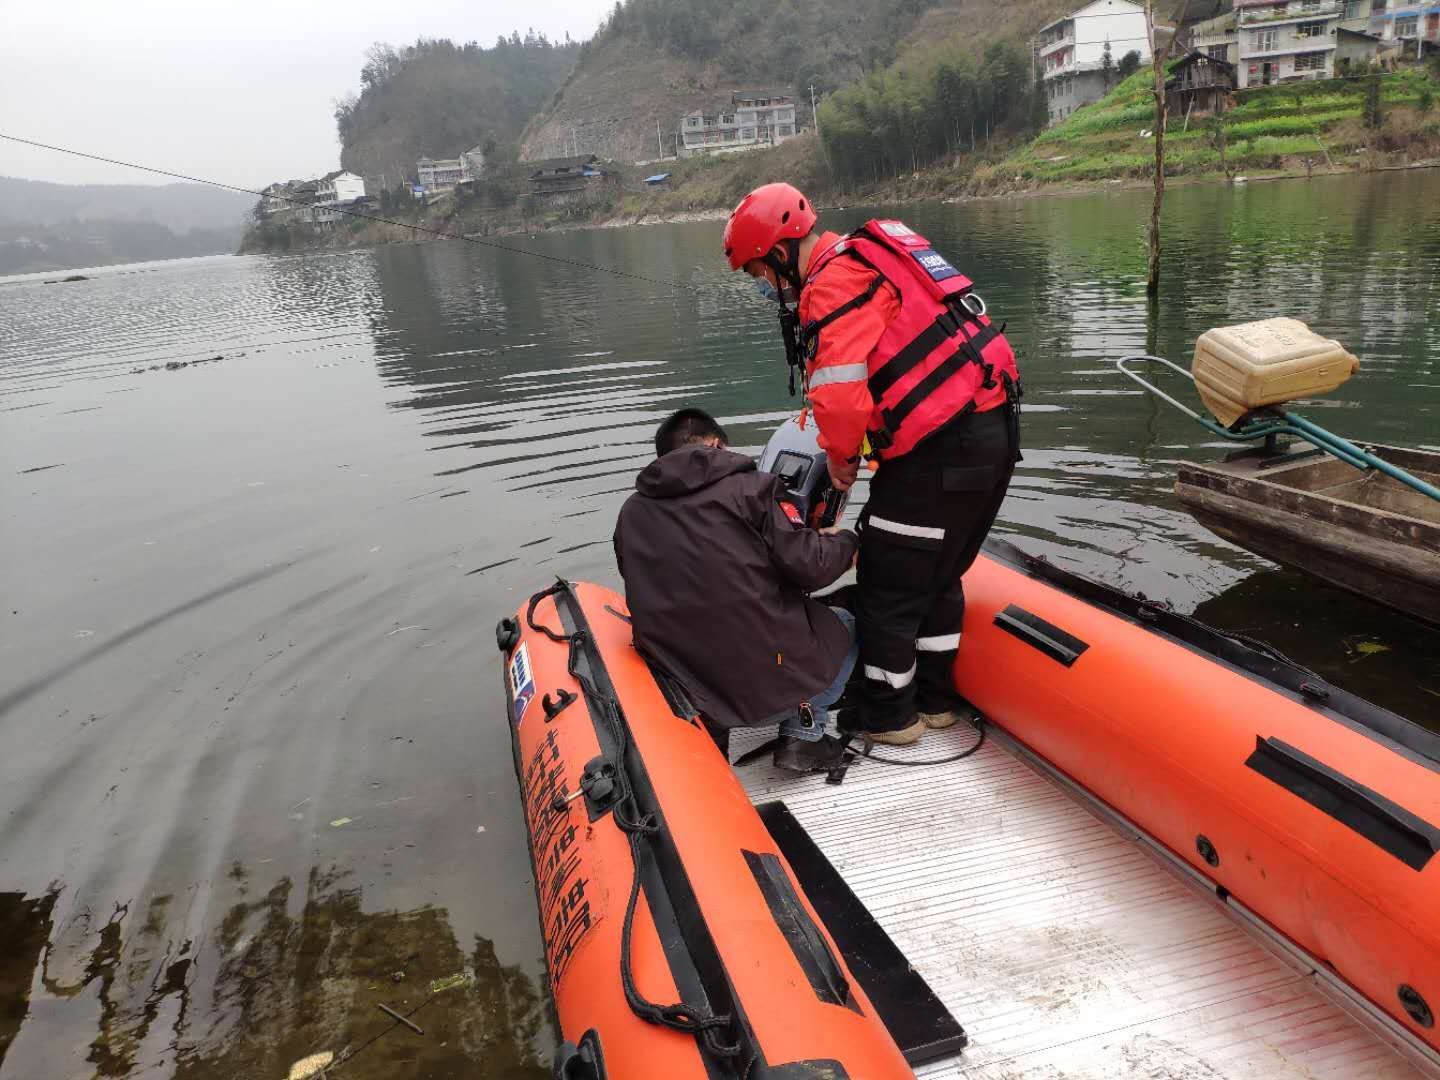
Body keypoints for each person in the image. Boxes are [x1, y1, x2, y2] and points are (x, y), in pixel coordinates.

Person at [723, 183, 1021, 746]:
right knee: (938, 573)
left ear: (781, 251)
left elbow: (838, 394)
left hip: (939, 448)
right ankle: (935, 702)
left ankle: (889, 717)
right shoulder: (876, 254)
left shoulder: (831, 283)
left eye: (760, 271)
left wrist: (841, 465)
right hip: (995, 429)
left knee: (886, 579)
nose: (765, 285)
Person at [613, 408, 859, 773]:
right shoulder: (751, 489)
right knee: (846, 622)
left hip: (685, 674)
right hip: (767, 666)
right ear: (716, 443)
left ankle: (710, 736)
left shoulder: (631, 512)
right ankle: (804, 734)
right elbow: (812, 568)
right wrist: (845, 543)